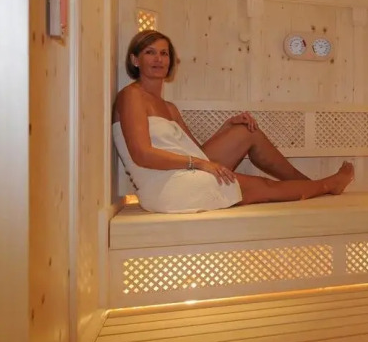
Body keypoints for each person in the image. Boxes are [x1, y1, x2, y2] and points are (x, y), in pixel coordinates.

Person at [113, 29, 354, 214]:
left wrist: (226, 127)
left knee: (245, 131)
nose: (158, 59)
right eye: (150, 52)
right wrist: (200, 164)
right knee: (264, 188)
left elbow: (197, 152)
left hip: (185, 172)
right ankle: (325, 186)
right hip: (166, 188)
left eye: (164, 53)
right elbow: (142, 154)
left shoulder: (169, 108)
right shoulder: (131, 96)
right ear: (135, 60)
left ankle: (308, 186)